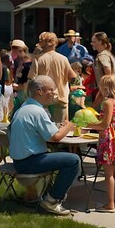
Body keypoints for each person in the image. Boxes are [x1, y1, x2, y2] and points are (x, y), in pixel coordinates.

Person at [9, 75, 79, 215]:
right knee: (73, 160)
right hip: (29, 162)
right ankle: (52, 201)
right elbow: (56, 137)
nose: (54, 93)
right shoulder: (37, 111)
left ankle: (49, 195)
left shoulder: (25, 107)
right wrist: (74, 121)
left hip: (20, 160)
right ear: (40, 91)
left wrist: (62, 127)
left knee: (65, 158)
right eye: (51, 90)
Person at [87, 75, 115, 212]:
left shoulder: (107, 102)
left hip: (109, 138)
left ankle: (110, 203)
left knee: (109, 174)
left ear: (105, 88)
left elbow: (105, 124)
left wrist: (88, 125)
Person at [28, 32, 77, 123]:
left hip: (42, 99)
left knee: (43, 130)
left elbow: (31, 78)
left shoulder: (38, 59)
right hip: (60, 99)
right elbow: (73, 77)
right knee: (58, 129)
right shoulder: (63, 59)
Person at [90, 32, 115, 109]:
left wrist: (104, 87)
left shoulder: (102, 55)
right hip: (110, 90)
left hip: (106, 92)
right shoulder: (108, 53)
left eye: (94, 42)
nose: (92, 44)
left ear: (100, 42)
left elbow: (107, 69)